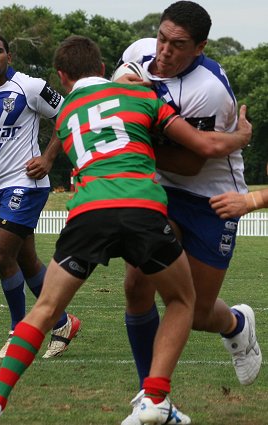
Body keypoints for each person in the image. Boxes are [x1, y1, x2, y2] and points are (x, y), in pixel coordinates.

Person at [0, 34, 252, 425]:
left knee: (46, 308)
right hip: (142, 208)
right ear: (102, 68)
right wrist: (240, 136)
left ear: (62, 76)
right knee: (183, 302)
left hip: (89, 213)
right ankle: (155, 398)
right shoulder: (143, 98)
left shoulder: (67, 113)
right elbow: (202, 147)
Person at [113, 2, 262, 424]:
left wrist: (136, 143)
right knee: (137, 281)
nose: (164, 51)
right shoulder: (139, 52)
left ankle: (234, 324)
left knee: (197, 312)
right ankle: (151, 399)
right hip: (159, 189)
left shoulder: (208, 88)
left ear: (200, 48)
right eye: (162, 37)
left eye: (178, 45)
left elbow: (190, 163)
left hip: (210, 196)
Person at [0, 33, 80, 360]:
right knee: (25, 260)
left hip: (27, 184)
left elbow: (68, 113)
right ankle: (62, 322)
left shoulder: (29, 86)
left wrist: (47, 159)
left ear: (9, 55)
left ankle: (19, 332)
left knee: (0, 253)